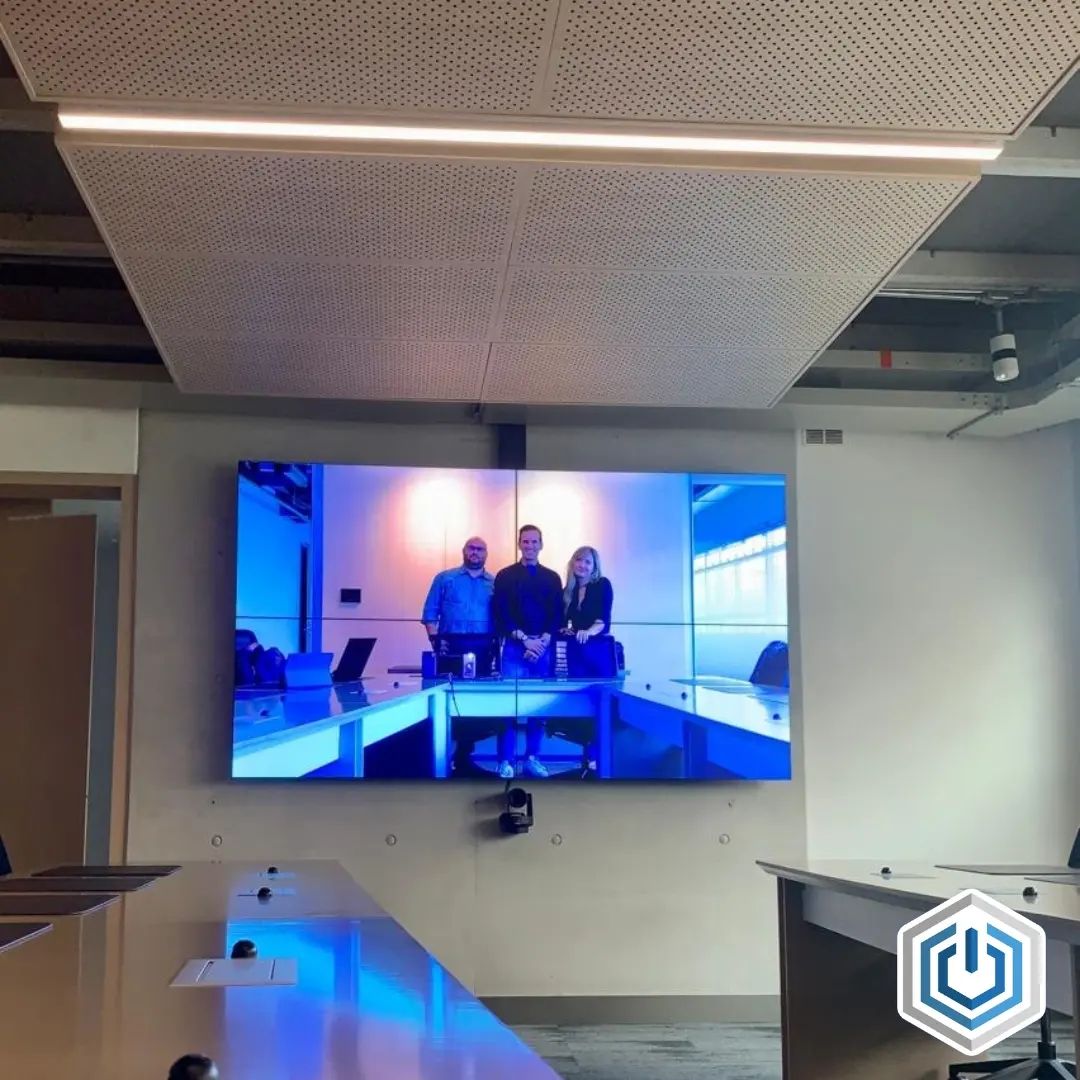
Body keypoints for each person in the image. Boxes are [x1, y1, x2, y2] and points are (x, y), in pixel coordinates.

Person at [421, 537, 497, 775]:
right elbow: (430, 614)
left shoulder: (495, 584)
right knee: (450, 703)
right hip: (451, 649)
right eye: (471, 548)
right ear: (463, 551)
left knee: (475, 705)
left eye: (480, 549)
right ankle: (443, 758)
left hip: (483, 650)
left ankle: (464, 756)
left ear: (486, 554)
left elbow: (501, 619)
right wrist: (436, 642)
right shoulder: (445, 579)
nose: (475, 552)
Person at [492, 524, 563, 779]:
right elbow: (501, 613)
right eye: (525, 541)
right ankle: (505, 760)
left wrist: (542, 642)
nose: (530, 546)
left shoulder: (552, 577)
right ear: (519, 544)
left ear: (541, 545)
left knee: (539, 707)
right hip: (514, 647)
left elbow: (557, 613)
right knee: (509, 706)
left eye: (534, 541)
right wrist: (524, 640)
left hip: (543, 648)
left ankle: (532, 758)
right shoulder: (505, 575)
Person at [562, 546, 613, 644]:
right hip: (577, 644)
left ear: (594, 567)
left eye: (588, 562)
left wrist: (588, 632)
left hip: (597, 643)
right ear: (572, 563)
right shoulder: (568, 590)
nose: (582, 565)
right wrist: (564, 629)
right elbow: (562, 619)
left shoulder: (602, 584)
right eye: (579, 560)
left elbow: (602, 620)